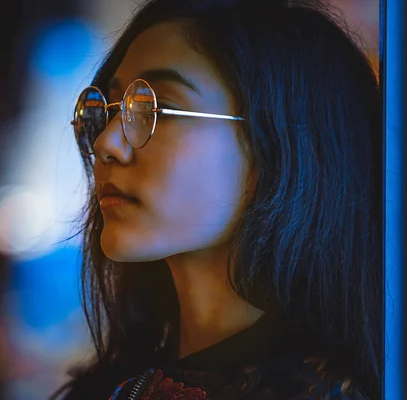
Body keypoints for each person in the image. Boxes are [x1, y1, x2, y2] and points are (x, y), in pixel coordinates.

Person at [54, 0, 382, 398]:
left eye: (158, 108)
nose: (106, 143)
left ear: (279, 146)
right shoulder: (114, 383)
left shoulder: (322, 390)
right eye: (111, 109)